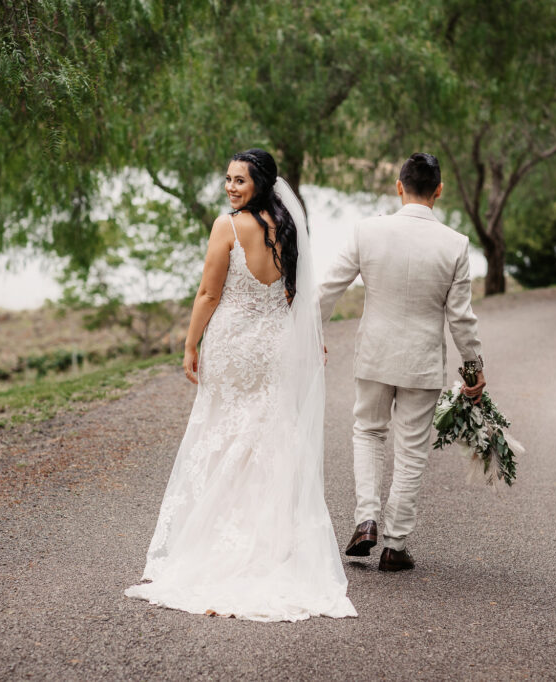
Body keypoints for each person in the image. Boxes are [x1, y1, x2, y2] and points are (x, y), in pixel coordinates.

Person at [125, 148, 357, 622]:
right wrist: (308, 341)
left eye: (240, 181)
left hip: (233, 346)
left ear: (261, 184)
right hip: (273, 346)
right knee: (268, 433)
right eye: (228, 179)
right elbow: (294, 292)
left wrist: (190, 343)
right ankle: (271, 540)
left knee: (223, 433)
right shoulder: (287, 227)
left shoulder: (227, 226)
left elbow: (209, 292)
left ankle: (219, 539)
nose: (231, 187)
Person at [317, 152, 485, 572]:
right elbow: (461, 318)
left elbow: (326, 289)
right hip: (422, 363)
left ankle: (366, 519)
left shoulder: (367, 231)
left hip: (374, 356)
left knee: (369, 434)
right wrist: (473, 368)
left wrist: (313, 334)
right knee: (411, 451)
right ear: (439, 191)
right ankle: (394, 543)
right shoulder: (455, 244)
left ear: (399, 186)